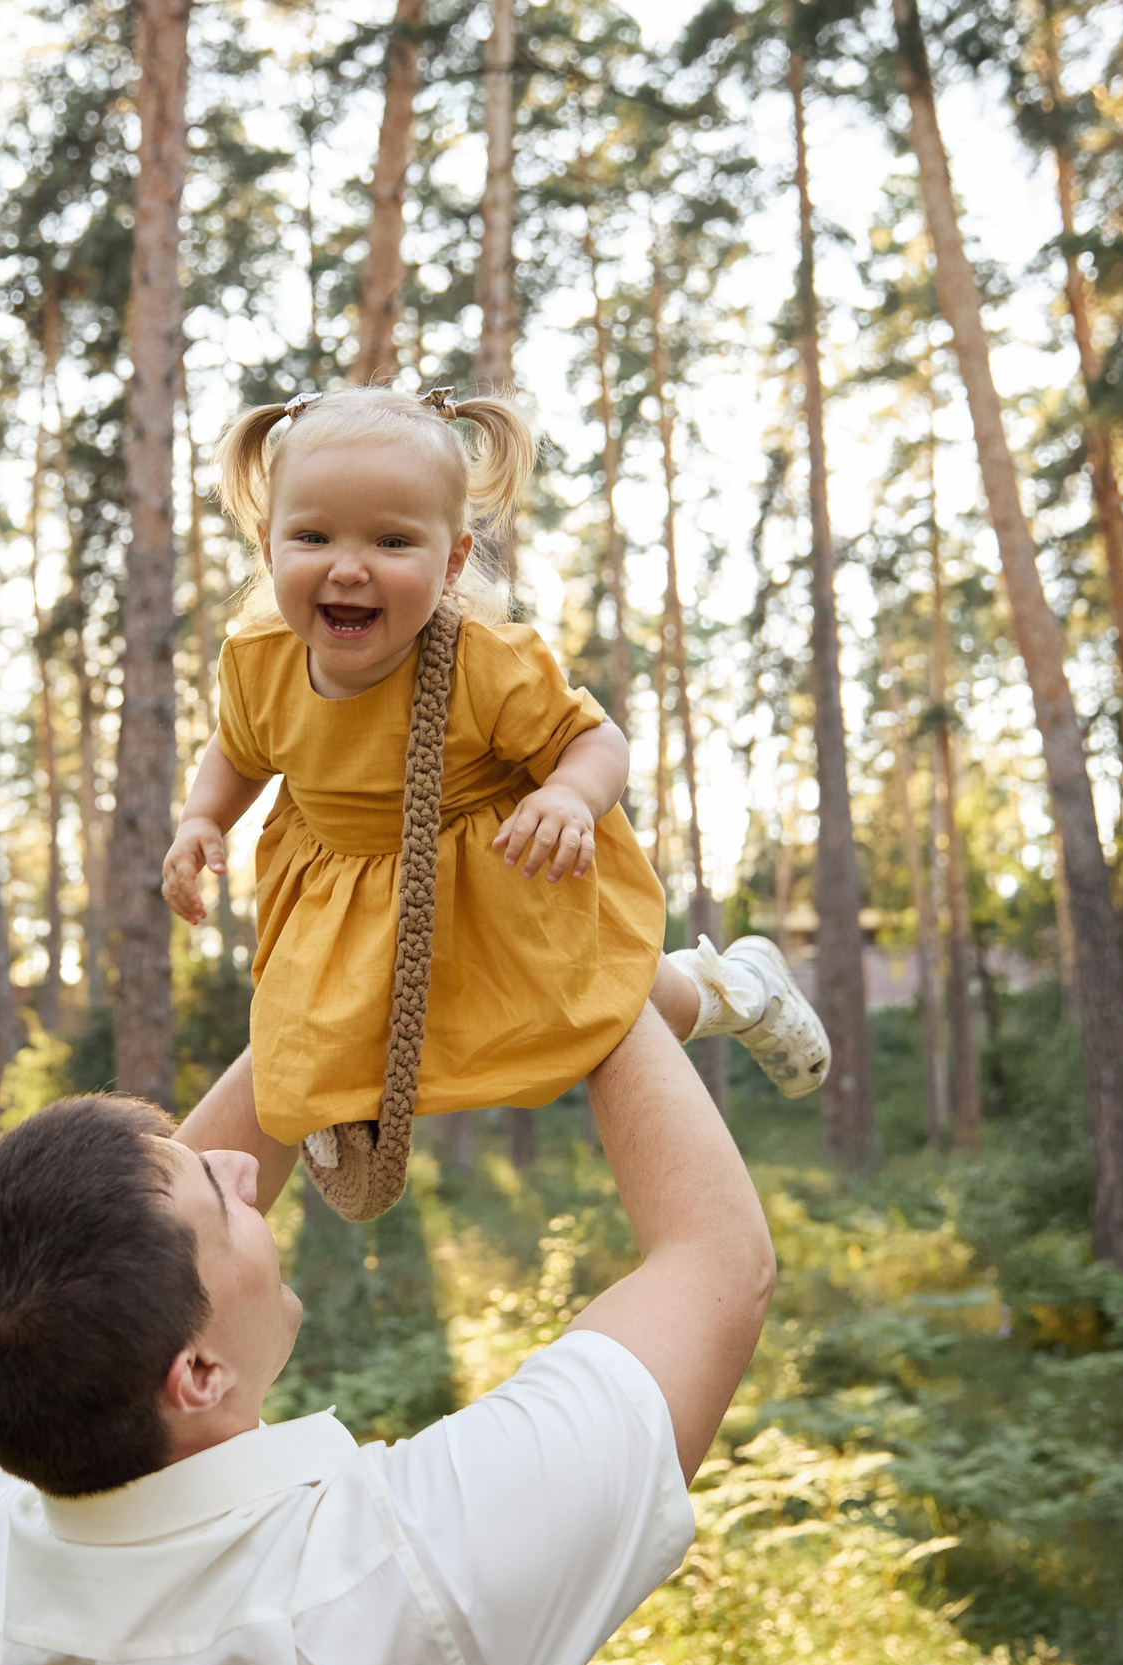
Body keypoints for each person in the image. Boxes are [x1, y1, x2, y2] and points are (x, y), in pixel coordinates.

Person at [0, 1000, 777, 1665]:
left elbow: (128, 1258)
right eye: (223, 1199)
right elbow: (717, 1264)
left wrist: (326, 993)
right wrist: (590, 966)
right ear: (198, 1375)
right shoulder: (395, 1583)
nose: (240, 1168)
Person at [158, 383, 826, 1216]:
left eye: (392, 540)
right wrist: (202, 818)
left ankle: (736, 990)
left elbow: (595, 739)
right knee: (301, 1028)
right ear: (268, 547)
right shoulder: (257, 663)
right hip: (344, 904)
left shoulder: (482, 665)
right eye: (314, 536)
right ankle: (295, 1128)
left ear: (450, 562)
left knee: (604, 1004)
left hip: (498, 880)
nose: (349, 566)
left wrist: (570, 797)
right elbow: (238, 749)